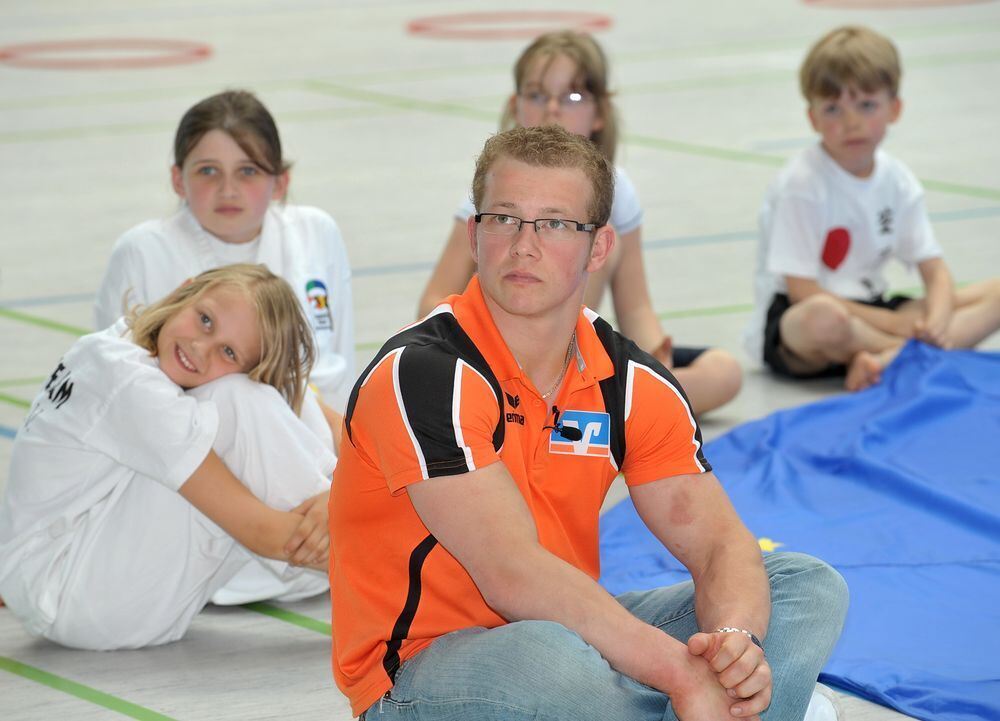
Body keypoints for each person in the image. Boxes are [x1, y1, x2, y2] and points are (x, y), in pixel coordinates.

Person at [330, 125, 848, 720]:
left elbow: (719, 547)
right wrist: (681, 673)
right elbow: (512, 574)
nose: (524, 245)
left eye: (555, 223)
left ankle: (722, 703)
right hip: (421, 673)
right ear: (474, 235)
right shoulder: (424, 375)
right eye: (504, 218)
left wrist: (738, 648)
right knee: (548, 657)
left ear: (599, 248)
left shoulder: (628, 381)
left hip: (569, 637)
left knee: (800, 586)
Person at [0, 265, 334, 650]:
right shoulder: (124, 376)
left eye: (228, 351)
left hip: (80, 578)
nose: (199, 347)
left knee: (279, 392)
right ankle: (389, 566)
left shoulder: (128, 340)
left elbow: (332, 420)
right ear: (184, 290)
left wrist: (336, 498)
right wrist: (338, 517)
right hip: (72, 596)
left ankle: (370, 552)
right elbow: (262, 534)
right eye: (205, 320)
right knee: (242, 400)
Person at [417, 30, 741, 416]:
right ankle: (573, 405)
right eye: (537, 96)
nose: (553, 109)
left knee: (725, 372)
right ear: (515, 105)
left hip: (579, 352)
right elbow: (433, 302)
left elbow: (636, 309)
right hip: (499, 354)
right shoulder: (493, 194)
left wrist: (659, 364)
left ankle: (598, 403)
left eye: (572, 97)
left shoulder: (619, 192)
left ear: (600, 111)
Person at [744, 25, 1000, 390]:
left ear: (894, 109)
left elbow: (935, 270)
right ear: (813, 118)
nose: (851, 122)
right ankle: (909, 354)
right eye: (833, 109)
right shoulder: (801, 184)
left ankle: (886, 359)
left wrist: (939, 319)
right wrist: (896, 327)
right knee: (823, 318)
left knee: (995, 292)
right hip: (802, 325)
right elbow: (802, 291)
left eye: (866, 105)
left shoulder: (897, 179)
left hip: (872, 310)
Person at [94, 89, 354, 442]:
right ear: (177, 179)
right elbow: (125, 386)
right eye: (208, 171)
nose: (228, 189)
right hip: (199, 450)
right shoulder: (144, 250)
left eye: (247, 171)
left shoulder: (315, 232)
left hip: (326, 442)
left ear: (280, 182)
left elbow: (338, 359)